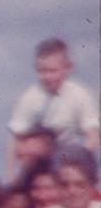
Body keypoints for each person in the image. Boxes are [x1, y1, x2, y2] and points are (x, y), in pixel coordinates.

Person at [6, 38, 99, 175]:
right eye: (41, 71)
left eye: (52, 71)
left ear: (68, 68)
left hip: (69, 159)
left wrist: (75, 163)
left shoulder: (80, 95)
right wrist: (11, 176)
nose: (47, 77)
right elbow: (15, 139)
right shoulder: (30, 97)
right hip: (37, 164)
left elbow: (93, 138)